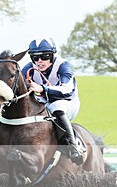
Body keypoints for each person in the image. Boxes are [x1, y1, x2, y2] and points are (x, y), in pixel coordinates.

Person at [22, 37, 84, 165]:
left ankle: (73, 147)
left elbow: (67, 90)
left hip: (66, 102)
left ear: (52, 55)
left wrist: (42, 89)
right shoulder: (28, 69)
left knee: (56, 106)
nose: (39, 61)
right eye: (35, 57)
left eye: (45, 56)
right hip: (41, 104)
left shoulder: (63, 66)